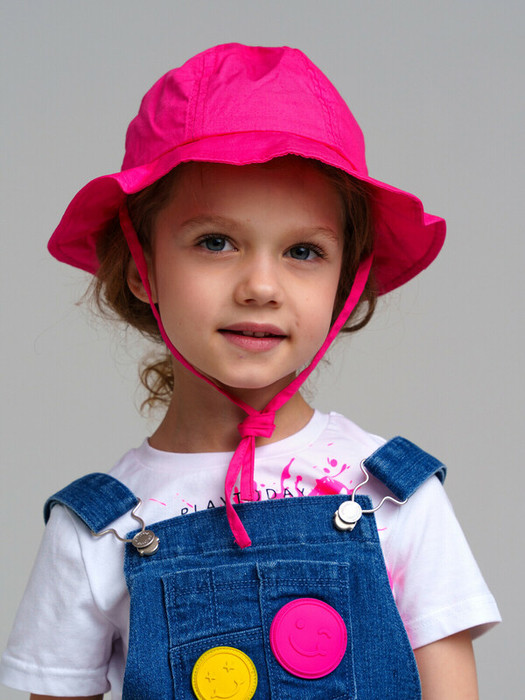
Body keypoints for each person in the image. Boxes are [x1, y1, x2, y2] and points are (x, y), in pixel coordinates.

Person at [0, 43, 500, 700]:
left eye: (303, 251)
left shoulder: (393, 495)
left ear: (346, 281)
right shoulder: (98, 529)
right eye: (215, 242)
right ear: (141, 267)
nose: (261, 286)